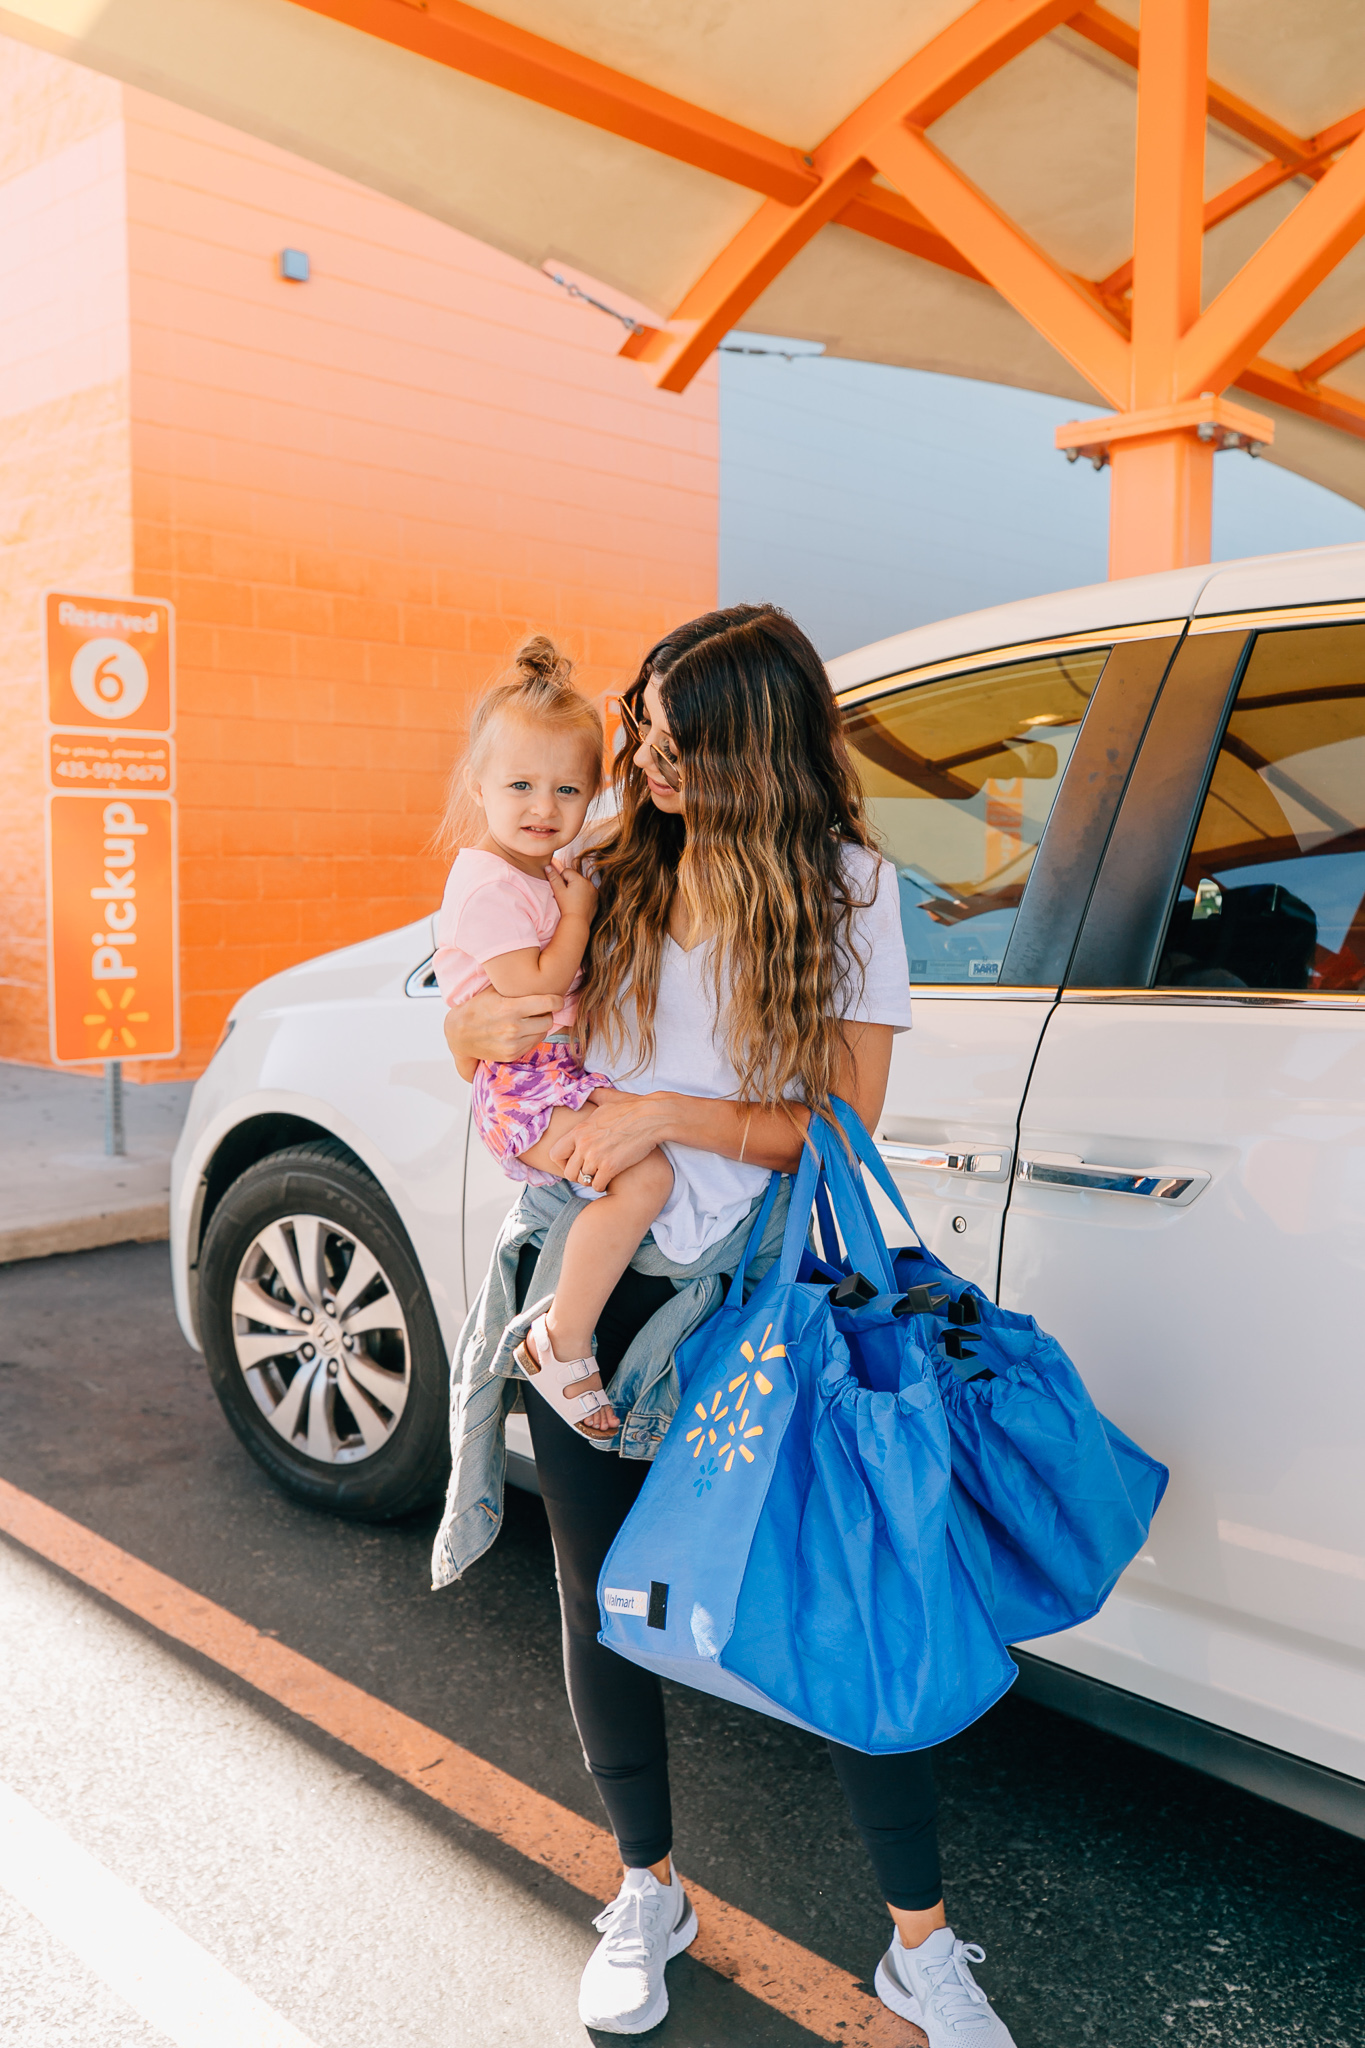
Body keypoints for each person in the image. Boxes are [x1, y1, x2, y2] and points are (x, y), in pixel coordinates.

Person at [433, 605, 1016, 2047]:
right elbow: (482, 986)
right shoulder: (611, 856)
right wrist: (466, 1031)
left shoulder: (849, 889)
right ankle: (646, 1893)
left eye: (677, 750)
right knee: (600, 1608)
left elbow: (842, 1125)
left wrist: (669, 1116)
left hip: (761, 1299)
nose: (646, 766)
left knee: (843, 1601)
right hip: (597, 1286)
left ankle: (919, 1947)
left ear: (759, 753)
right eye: (641, 737)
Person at [432, 638, 671, 1436]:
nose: (544, 807)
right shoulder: (486, 883)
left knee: (646, 1153)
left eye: (567, 788)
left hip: (551, 1072)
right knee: (645, 1181)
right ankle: (559, 1342)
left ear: (596, 792)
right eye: (521, 786)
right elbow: (531, 987)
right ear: (478, 787)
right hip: (523, 1084)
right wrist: (576, 916)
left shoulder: (540, 870)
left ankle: (565, 1330)